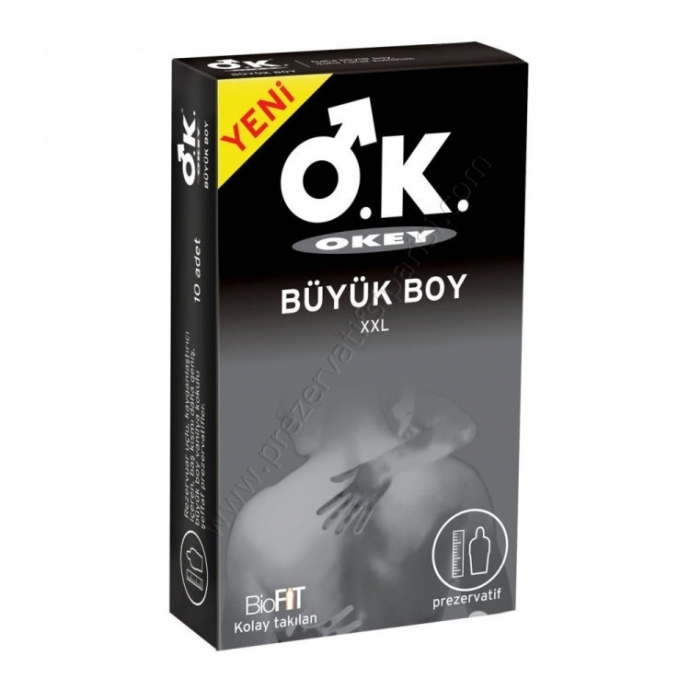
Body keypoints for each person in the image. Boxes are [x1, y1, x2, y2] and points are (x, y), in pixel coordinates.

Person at [223, 383, 510, 648]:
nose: (280, 413)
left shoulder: (258, 523)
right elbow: (494, 622)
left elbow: (240, 660)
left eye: (285, 389)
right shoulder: (460, 485)